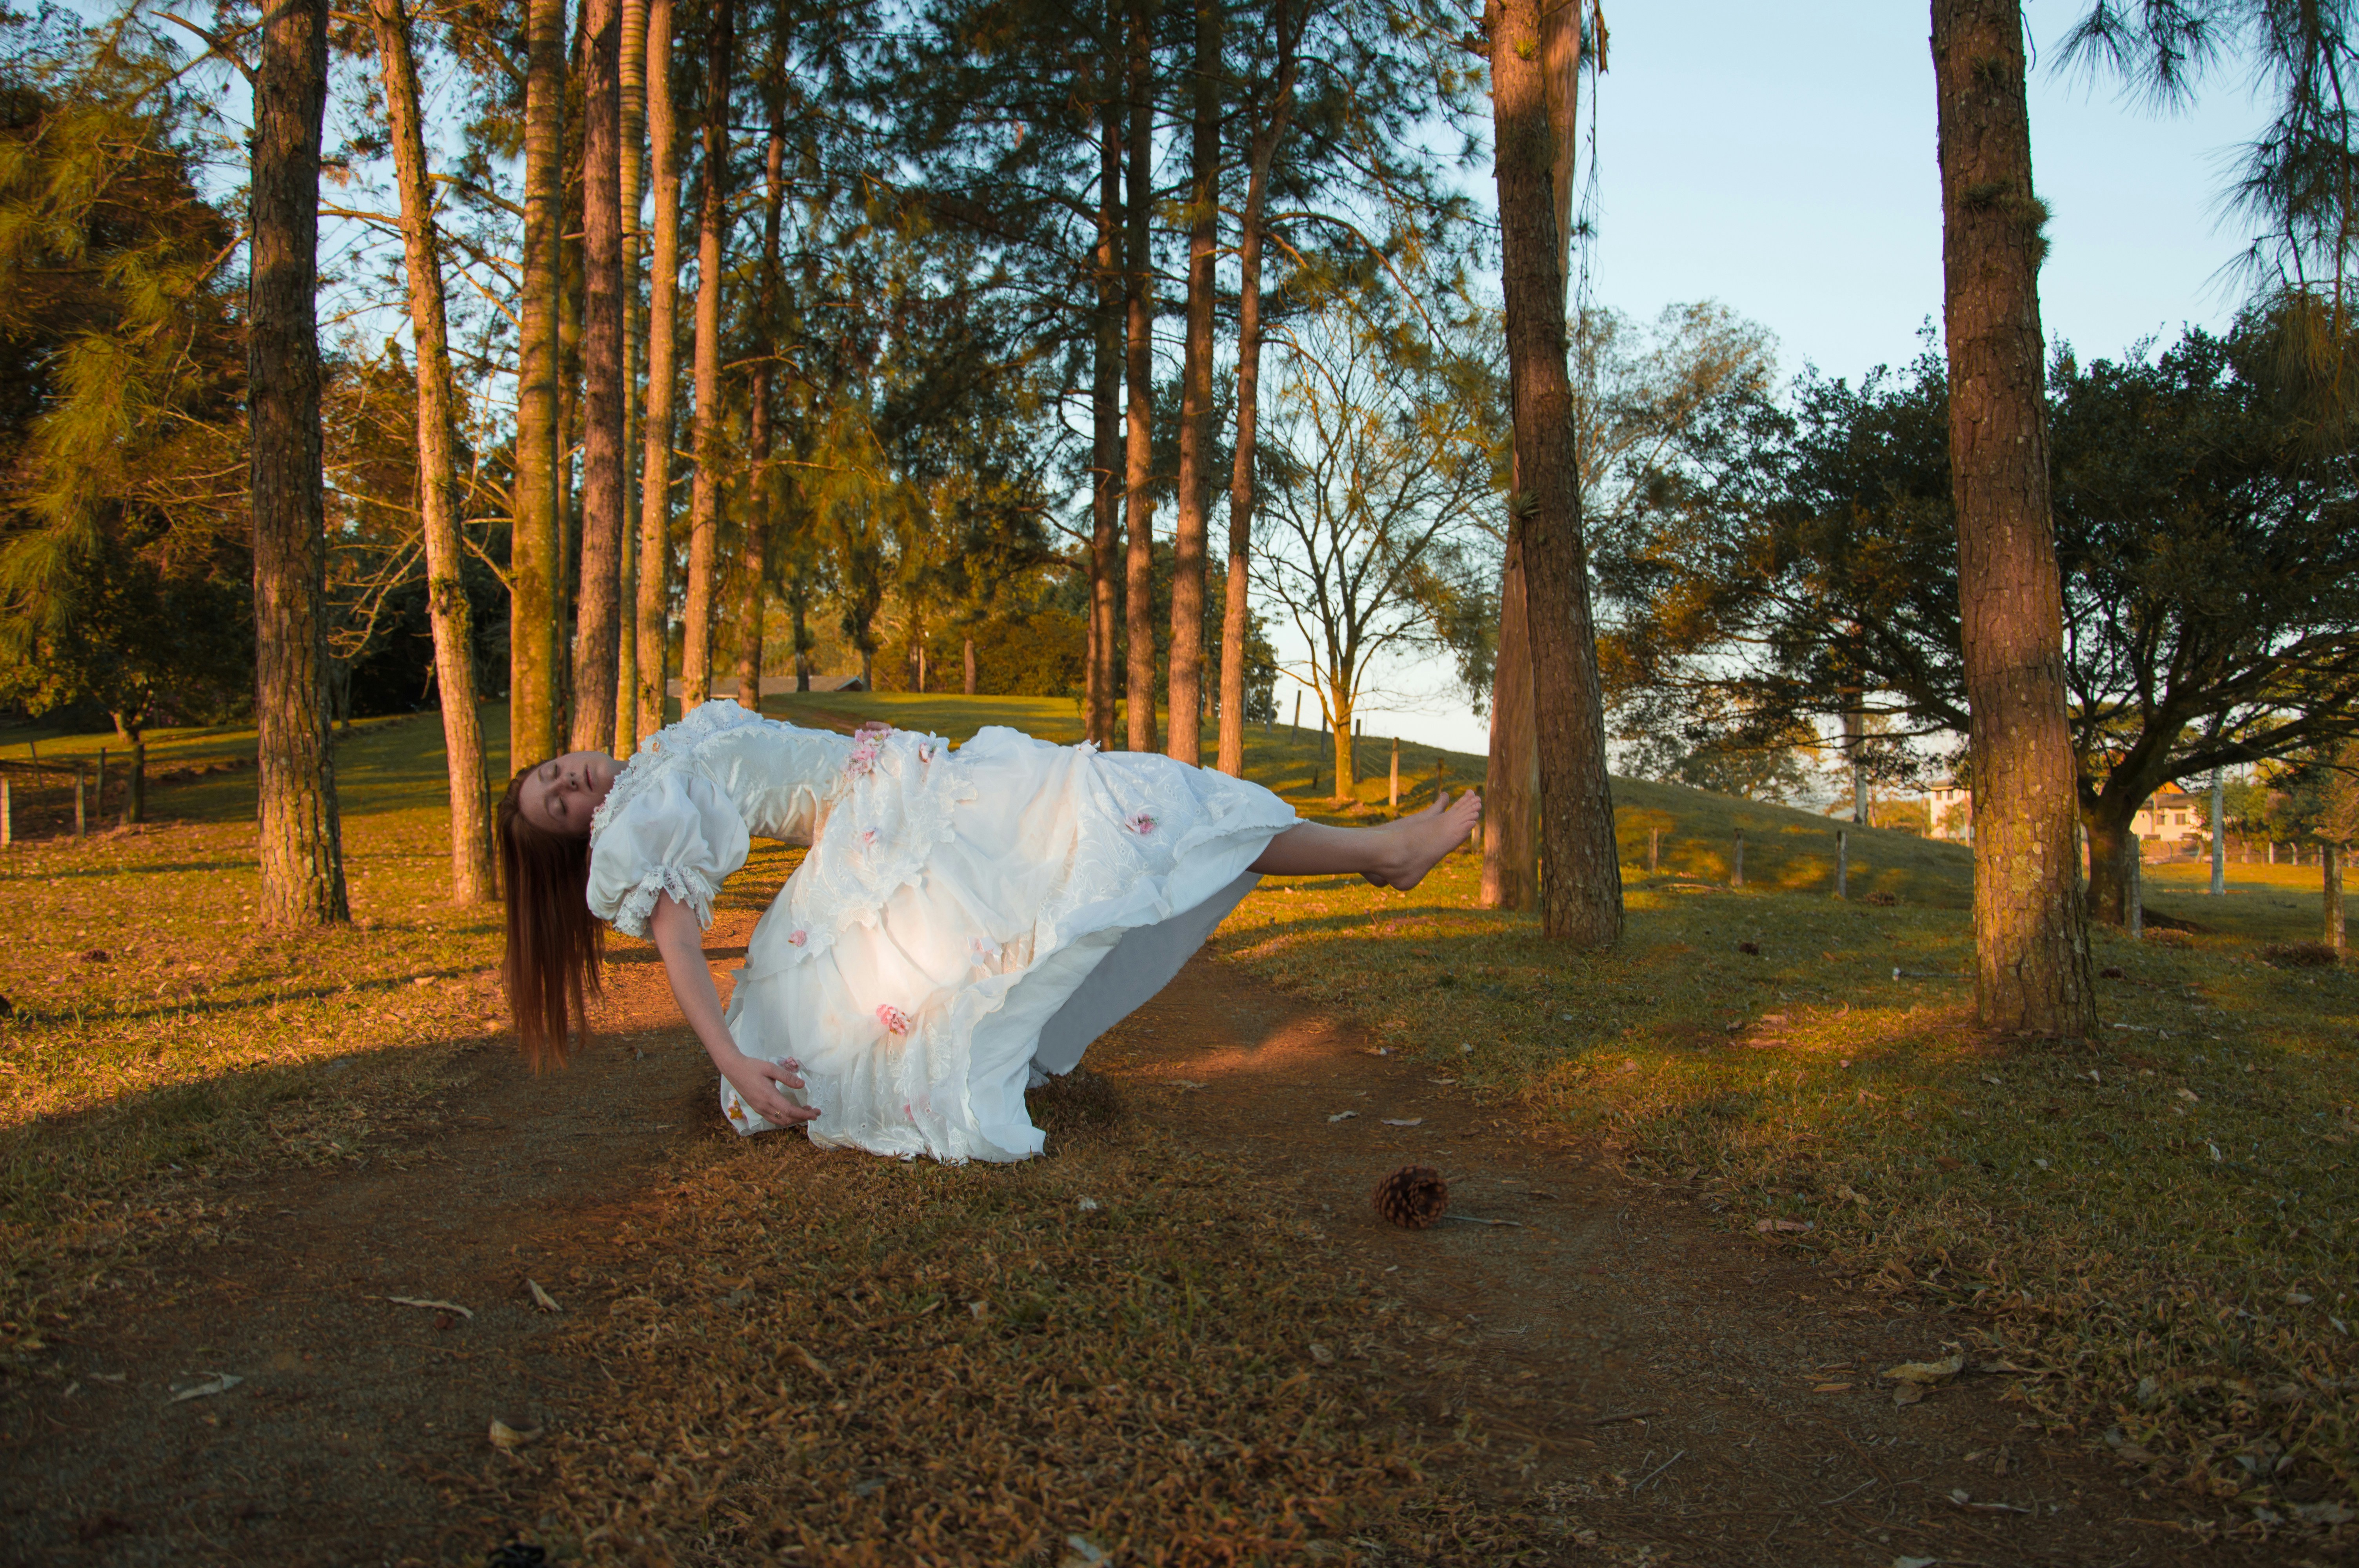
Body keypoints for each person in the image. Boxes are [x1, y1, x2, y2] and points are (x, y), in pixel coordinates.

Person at [499, 699, 1480, 1163]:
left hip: (902, 793)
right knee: (1114, 809)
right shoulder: (642, 810)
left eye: (554, 772)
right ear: (578, 840)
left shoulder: (658, 751)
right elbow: (677, 940)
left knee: (1128, 807)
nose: (568, 785)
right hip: (887, 828)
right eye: (557, 809)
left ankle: (1377, 849)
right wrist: (735, 1060)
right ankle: (1380, 852)